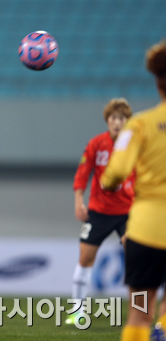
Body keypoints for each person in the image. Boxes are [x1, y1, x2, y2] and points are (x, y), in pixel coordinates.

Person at [100, 40, 166, 341]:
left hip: (145, 232)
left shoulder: (139, 125)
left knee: (140, 311)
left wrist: (108, 183)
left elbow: (116, 172)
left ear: (157, 81)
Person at [66, 98, 134, 325]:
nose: (117, 122)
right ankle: (77, 311)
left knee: (138, 259)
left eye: (121, 118)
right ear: (107, 120)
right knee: (85, 257)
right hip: (99, 211)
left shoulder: (134, 146)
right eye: (113, 118)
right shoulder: (96, 144)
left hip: (128, 212)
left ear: (127, 121)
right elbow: (82, 174)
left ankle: (139, 313)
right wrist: (78, 201)